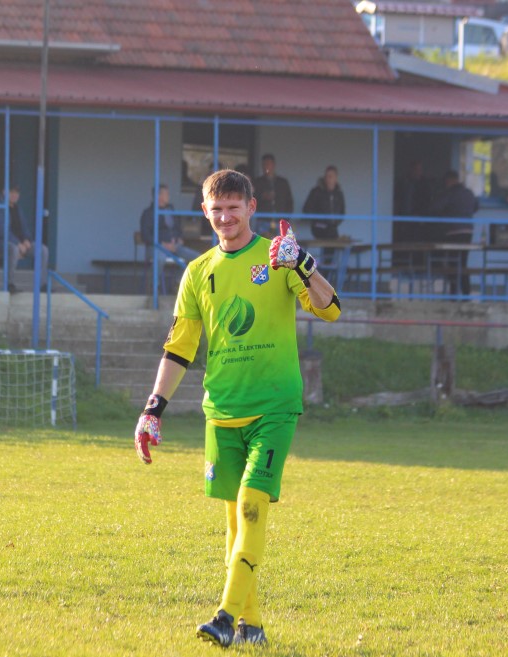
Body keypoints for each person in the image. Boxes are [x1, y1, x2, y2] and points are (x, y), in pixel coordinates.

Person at [133, 169, 342, 648]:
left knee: (251, 509)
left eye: (234, 207)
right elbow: (180, 347)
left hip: (274, 408)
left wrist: (304, 264)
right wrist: (152, 410)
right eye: (216, 209)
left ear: (251, 208)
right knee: (233, 524)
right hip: (221, 412)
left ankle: (225, 618)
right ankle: (253, 626)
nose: (225, 217)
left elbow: (330, 309)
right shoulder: (198, 271)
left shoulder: (277, 257)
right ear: (205, 212)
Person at [0, 186, 49, 293]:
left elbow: (24, 227)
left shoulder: (17, 208)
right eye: (12, 192)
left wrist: (26, 240)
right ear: (4, 192)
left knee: (42, 250)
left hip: (19, 243)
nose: (15, 195)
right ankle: (9, 284)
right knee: (13, 249)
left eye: (17, 192)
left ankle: (42, 285)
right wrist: (17, 243)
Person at [429, 170, 479, 296]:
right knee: (463, 262)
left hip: (453, 231)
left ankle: (453, 292)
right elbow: (476, 206)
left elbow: (435, 208)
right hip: (468, 231)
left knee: (452, 261)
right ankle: (466, 292)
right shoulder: (469, 193)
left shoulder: (450, 193)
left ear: (449, 180)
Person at [139, 184, 200, 264]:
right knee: (160, 259)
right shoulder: (148, 213)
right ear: (158, 196)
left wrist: (179, 239)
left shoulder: (171, 209)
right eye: (166, 194)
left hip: (174, 246)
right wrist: (162, 244)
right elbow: (146, 235)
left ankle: (178, 277)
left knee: (198, 258)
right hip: (156, 247)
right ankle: (154, 277)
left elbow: (178, 228)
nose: (169, 196)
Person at [252, 154, 293, 236]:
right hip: (263, 221)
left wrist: (286, 219)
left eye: (268, 164)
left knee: (280, 246)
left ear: (273, 165)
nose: (266, 167)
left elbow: (289, 202)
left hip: (280, 222)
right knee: (263, 245)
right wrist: (262, 197)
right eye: (264, 164)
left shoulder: (282, 182)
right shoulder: (257, 182)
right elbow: (251, 201)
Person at [302, 165, 346, 240]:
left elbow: (342, 212)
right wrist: (320, 219)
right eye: (326, 176)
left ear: (336, 178)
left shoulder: (339, 194)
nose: (328, 179)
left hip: (332, 229)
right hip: (319, 227)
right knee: (330, 238)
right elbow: (306, 209)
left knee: (334, 241)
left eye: (330, 176)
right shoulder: (316, 192)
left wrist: (335, 223)